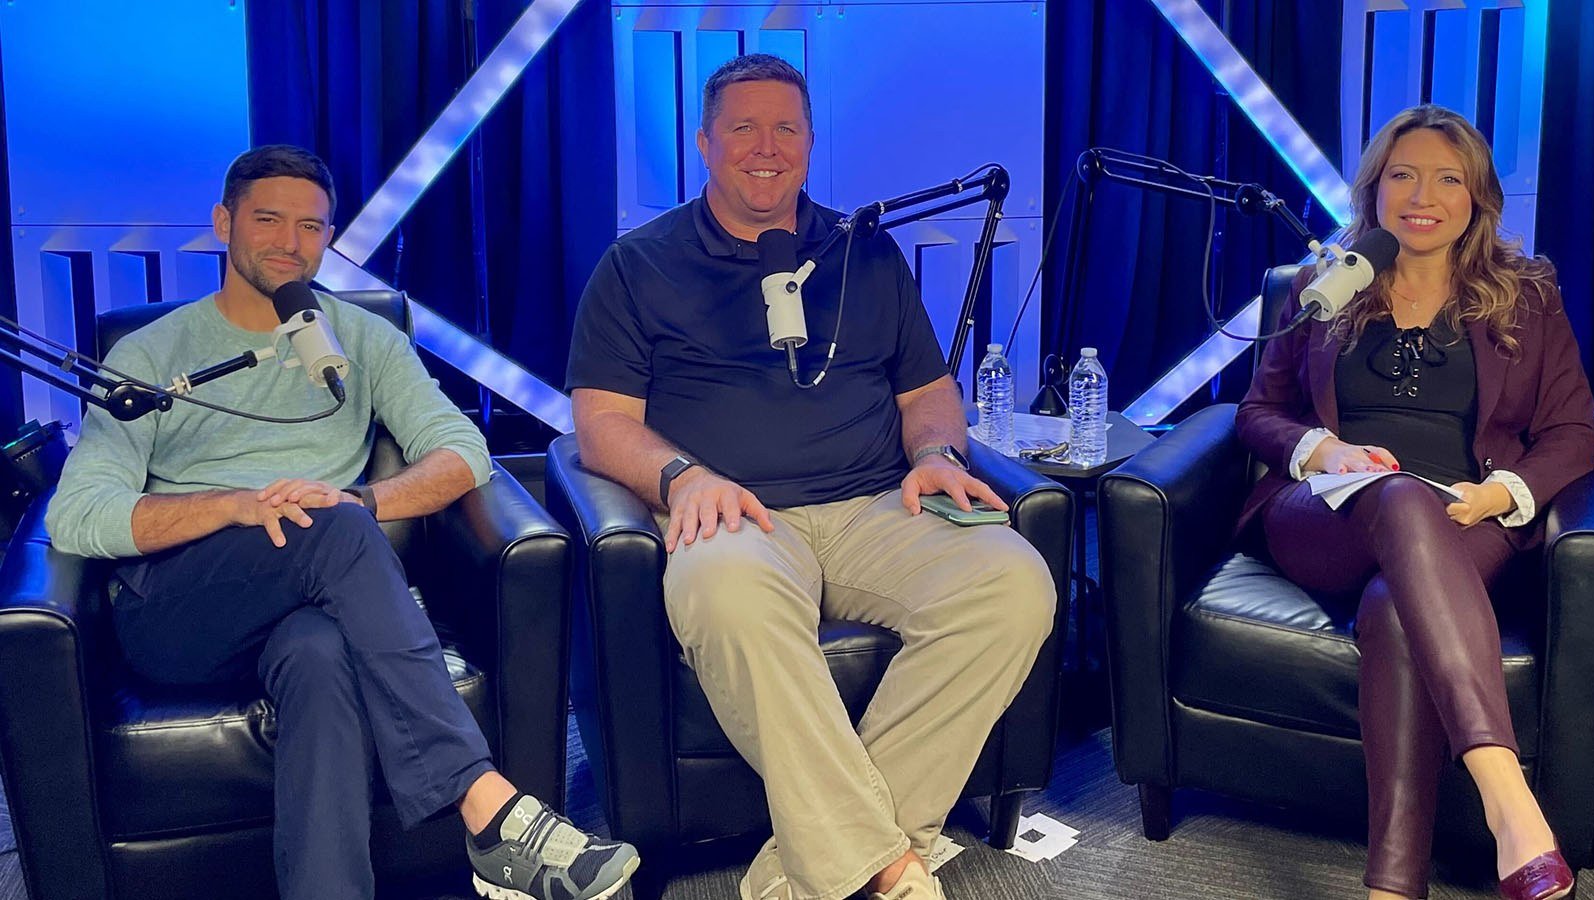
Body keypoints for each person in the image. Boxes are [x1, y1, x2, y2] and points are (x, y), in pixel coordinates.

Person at [45, 145, 639, 900]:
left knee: (322, 654)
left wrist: (363, 502)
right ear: (224, 222)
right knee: (336, 531)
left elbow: (461, 450)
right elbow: (79, 515)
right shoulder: (149, 354)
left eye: (311, 227)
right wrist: (235, 505)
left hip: (312, 598)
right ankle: (488, 811)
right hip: (180, 607)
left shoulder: (358, 340)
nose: (290, 243)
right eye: (267, 219)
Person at [566, 54, 1056, 900]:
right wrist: (682, 478)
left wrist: (938, 453)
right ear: (706, 143)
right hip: (735, 514)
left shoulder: (862, 253)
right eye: (744, 128)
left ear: (810, 141)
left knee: (1015, 583)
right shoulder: (637, 266)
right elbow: (601, 424)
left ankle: (821, 869)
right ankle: (883, 866)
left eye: (786, 127)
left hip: (877, 503)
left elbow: (928, 391)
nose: (767, 146)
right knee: (724, 597)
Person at [1237, 105, 1594, 900]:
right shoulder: (1321, 285)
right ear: (1376, 188)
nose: (1422, 194)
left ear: (1477, 197)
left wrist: (1504, 492)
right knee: (1396, 495)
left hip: (1465, 519)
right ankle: (1510, 804)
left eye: (1447, 177)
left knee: (1395, 608)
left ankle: (1390, 888)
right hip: (1326, 513)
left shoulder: (1528, 293)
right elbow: (1256, 413)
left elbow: (1575, 431)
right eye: (1403, 174)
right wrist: (1324, 450)